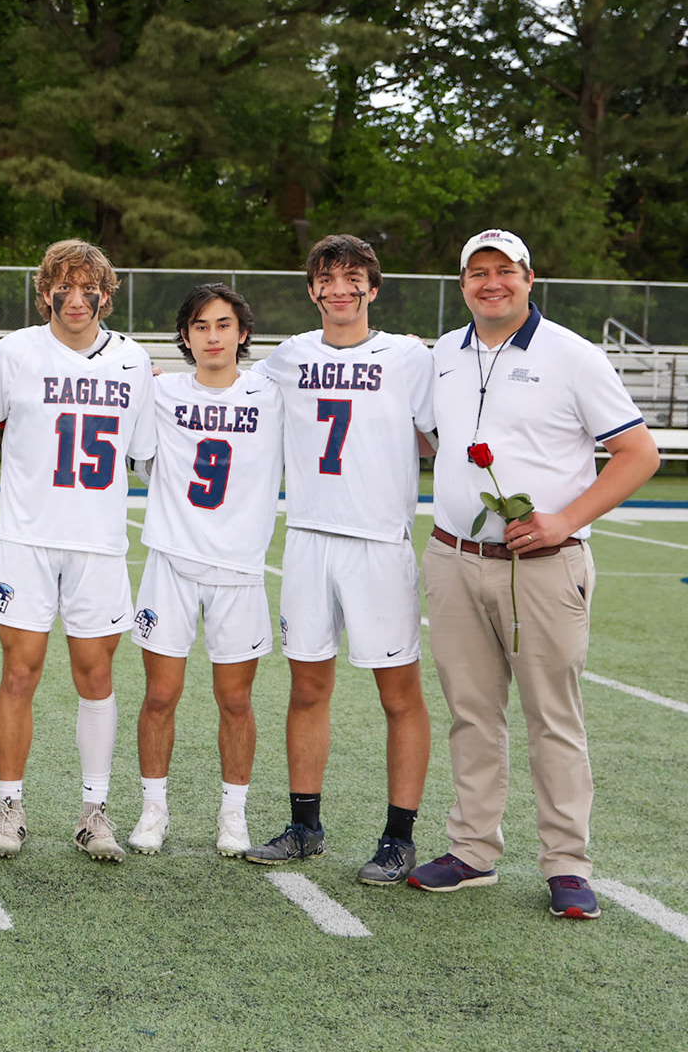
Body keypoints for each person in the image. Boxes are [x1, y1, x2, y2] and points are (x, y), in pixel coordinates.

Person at [411, 229, 658, 918]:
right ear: (462, 283)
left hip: (544, 567)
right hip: (455, 558)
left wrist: (563, 520)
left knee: (553, 718)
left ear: (529, 277)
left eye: (504, 271)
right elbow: (430, 437)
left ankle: (567, 863)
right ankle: (472, 850)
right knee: (471, 714)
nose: (491, 283)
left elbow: (639, 454)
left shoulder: (573, 356)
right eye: (477, 272)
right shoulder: (444, 354)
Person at [245, 234, 435, 886]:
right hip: (307, 538)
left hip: (379, 542)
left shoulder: (409, 357)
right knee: (306, 687)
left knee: (399, 693)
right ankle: (305, 826)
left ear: (373, 289)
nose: (340, 288)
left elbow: (452, 428)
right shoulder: (289, 356)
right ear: (312, 289)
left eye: (353, 277)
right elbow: (219, 388)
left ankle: (399, 836)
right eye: (327, 278)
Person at [0, 239, 156, 860]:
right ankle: (10, 804)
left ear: (108, 293)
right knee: (19, 673)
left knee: (96, 676)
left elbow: (150, 456)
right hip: (27, 538)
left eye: (88, 288)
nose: (76, 300)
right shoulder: (17, 351)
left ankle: (94, 809)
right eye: (64, 286)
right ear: (44, 289)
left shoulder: (134, 362)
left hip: (99, 543)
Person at [125, 285, 283, 858]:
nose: (212, 336)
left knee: (235, 701)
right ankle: (153, 810)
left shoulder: (273, 391)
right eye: (199, 326)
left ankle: (233, 816)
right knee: (160, 695)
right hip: (171, 560)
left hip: (239, 568)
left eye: (223, 324)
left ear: (243, 333)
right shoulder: (161, 391)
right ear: (185, 337)